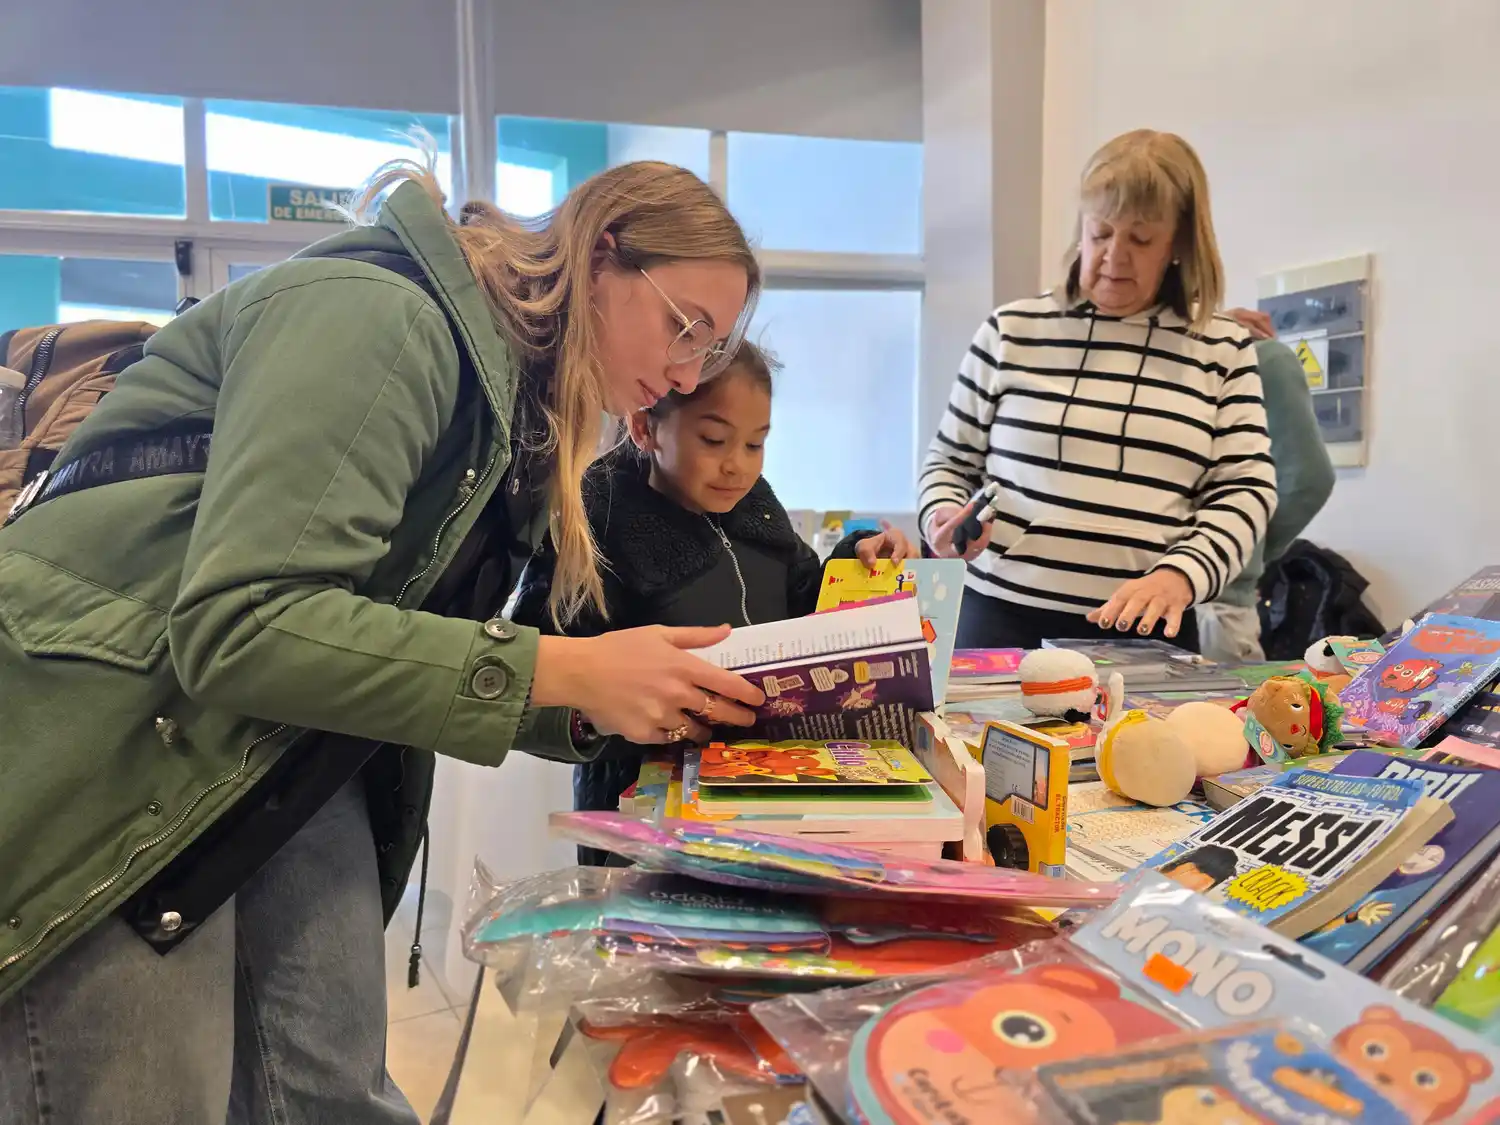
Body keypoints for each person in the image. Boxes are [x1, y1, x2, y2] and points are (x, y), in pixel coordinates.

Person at [0, 157, 771, 1125]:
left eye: (714, 345)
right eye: (684, 327)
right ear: (601, 253)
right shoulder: (381, 318)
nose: (688, 374)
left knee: (332, 1092)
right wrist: (564, 667)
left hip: (283, 742)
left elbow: (397, 648)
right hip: (118, 740)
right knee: (146, 1098)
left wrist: (619, 696)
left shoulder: (513, 413)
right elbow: (240, 628)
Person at [511, 340, 913, 861]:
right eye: (714, 440)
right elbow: (541, 672)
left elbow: (803, 606)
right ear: (645, 428)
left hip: (761, 794)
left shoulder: (757, 511)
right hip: (640, 812)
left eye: (755, 445)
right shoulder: (596, 531)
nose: (737, 467)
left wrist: (854, 563)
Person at [918, 129, 1277, 652]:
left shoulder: (1222, 349)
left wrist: (1181, 576)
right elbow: (948, 461)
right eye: (1100, 232)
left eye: (1140, 239)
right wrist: (942, 515)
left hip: (1145, 633)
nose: (1113, 257)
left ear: (1179, 243)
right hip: (996, 622)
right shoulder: (1012, 329)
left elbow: (1245, 491)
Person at [1197, 308, 1335, 663]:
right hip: (1167, 609)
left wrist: (1242, 549)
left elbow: (1309, 481)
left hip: (1211, 610)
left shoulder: (1260, 356)